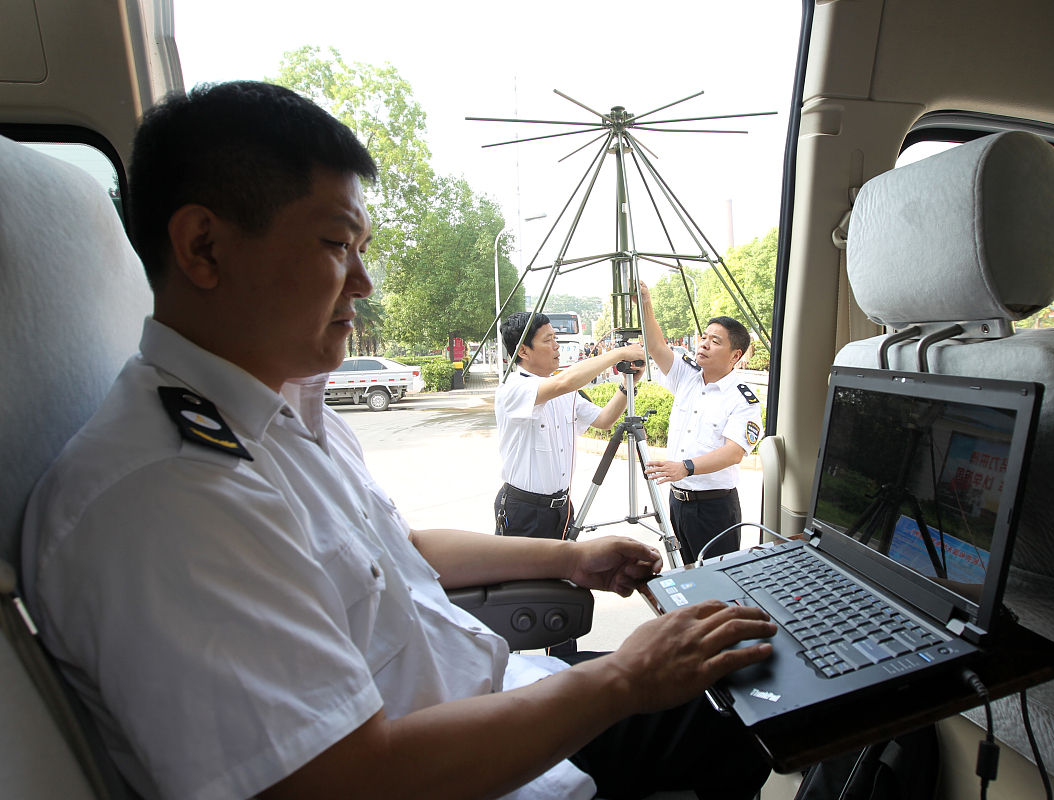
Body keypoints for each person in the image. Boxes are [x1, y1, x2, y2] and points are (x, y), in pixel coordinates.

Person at [20, 82, 775, 800]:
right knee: (750, 714)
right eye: (336, 244)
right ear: (204, 247)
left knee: (748, 681)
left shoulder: (284, 416)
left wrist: (572, 557)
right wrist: (621, 682)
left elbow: (398, 551)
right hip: (470, 765)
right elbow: (342, 782)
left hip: (496, 694)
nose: (365, 282)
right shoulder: (167, 499)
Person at [639, 280, 763, 565]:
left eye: (715, 341)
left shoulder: (743, 400)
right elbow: (656, 345)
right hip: (678, 503)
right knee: (687, 576)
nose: (704, 344)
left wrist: (685, 468)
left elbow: (734, 452)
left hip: (714, 508)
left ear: (736, 356)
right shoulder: (687, 377)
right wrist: (646, 301)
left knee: (718, 585)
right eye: (704, 337)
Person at [494, 311, 645, 543]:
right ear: (523, 351)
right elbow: (565, 381)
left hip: (562, 508)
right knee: (527, 578)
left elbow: (604, 420)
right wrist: (619, 353)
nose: (557, 346)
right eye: (548, 340)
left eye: (556, 338)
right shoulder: (513, 389)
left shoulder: (566, 393)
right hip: (524, 509)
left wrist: (629, 383)